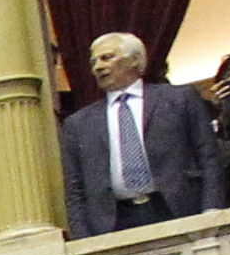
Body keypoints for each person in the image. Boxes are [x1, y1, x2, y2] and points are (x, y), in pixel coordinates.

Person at [62, 31, 221, 235]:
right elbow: (74, 189)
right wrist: (82, 238)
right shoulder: (78, 124)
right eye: (94, 62)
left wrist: (212, 209)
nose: (98, 67)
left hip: (178, 207)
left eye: (107, 57)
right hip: (114, 220)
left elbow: (208, 157)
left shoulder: (178, 100)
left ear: (135, 60)